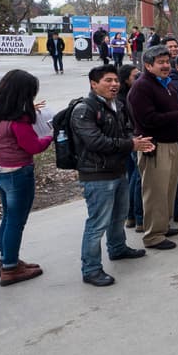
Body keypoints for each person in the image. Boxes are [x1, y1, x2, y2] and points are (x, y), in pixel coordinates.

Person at [71, 65, 152, 286]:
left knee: (119, 215)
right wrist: (130, 144)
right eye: (108, 80)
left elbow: (127, 129)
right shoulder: (84, 109)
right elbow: (94, 141)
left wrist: (134, 141)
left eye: (116, 80)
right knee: (97, 223)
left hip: (118, 169)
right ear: (93, 84)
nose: (114, 84)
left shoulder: (118, 105)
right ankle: (91, 269)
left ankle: (117, 248)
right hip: (96, 175)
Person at [0, 69, 52, 286]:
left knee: (8, 217)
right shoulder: (18, 120)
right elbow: (33, 146)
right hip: (17, 173)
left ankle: (7, 259)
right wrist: (50, 136)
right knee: (16, 221)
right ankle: (10, 268)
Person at [127, 45, 178, 251]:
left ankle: (163, 225)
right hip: (155, 146)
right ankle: (153, 236)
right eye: (161, 62)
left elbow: (169, 112)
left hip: (172, 143)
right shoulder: (142, 87)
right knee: (155, 192)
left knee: (168, 189)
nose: (166, 66)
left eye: (167, 61)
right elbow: (149, 119)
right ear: (148, 65)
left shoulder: (166, 84)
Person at [116, 64, 145, 231]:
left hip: (129, 140)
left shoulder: (132, 93)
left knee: (133, 177)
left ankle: (132, 216)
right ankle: (138, 217)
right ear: (126, 80)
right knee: (137, 178)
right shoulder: (124, 99)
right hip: (131, 141)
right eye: (136, 76)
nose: (139, 78)